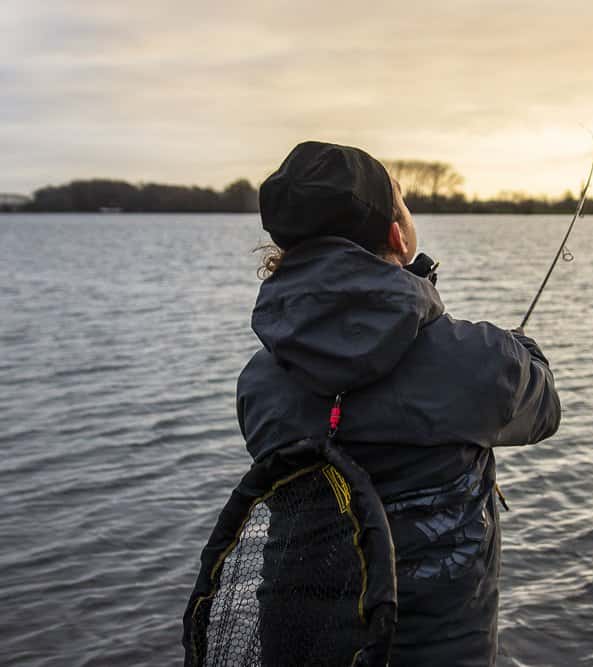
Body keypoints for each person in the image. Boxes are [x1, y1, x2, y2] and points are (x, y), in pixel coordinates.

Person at [236, 141, 561, 666]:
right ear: (398, 234)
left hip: (296, 648)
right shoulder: (477, 358)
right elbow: (544, 407)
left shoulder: (259, 381)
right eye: (403, 203)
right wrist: (518, 346)